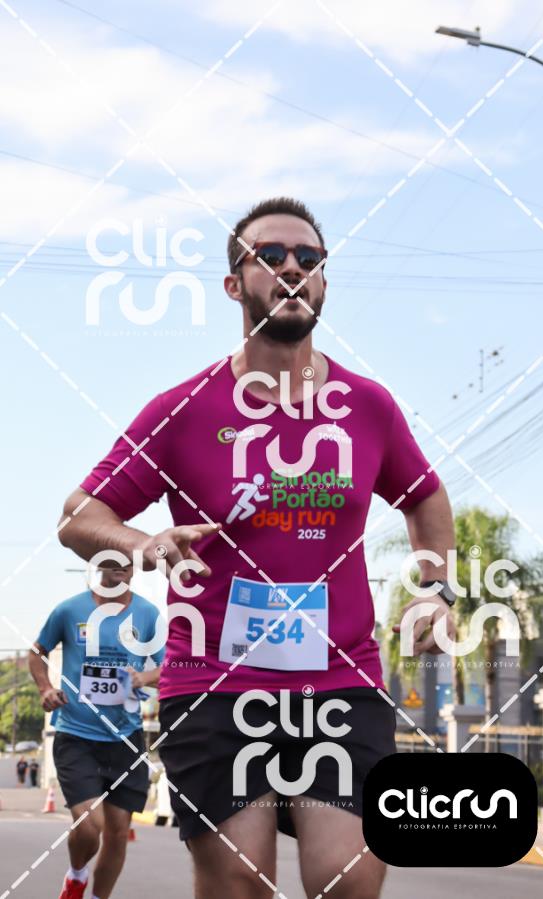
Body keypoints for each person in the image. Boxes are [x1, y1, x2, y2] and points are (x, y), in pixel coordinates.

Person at [58, 197, 456, 899]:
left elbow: (424, 497)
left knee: (349, 877)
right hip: (214, 681)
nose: (292, 268)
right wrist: (143, 541)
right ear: (234, 284)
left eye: (309, 257)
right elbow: (79, 516)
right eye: (269, 256)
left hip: (338, 679)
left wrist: (435, 587)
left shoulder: (368, 407)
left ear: (325, 281)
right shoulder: (183, 410)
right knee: (241, 880)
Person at [29, 563, 164, 899]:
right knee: (91, 826)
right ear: (97, 562)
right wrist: (45, 688)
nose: (120, 566)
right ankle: (76, 874)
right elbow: (37, 652)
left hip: (126, 738)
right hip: (77, 734)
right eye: (112, 558)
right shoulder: (69, 609)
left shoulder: (147, 614)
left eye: (127, 560)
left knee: (117, 833)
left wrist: (144, 677)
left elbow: (170, 666)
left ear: (135, 568)